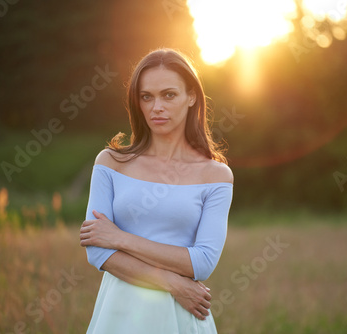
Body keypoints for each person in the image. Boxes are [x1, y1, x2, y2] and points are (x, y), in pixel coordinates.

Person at [79, 48, 234, 333]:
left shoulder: (216, 176)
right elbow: (97, 252)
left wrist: (120, 238)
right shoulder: (111, 163)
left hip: (180, 317)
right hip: (120, 312)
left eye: (169, 95)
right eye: (146, 96)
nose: (156, 107)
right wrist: (172, 282)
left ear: (192, 97)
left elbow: (201, 264)